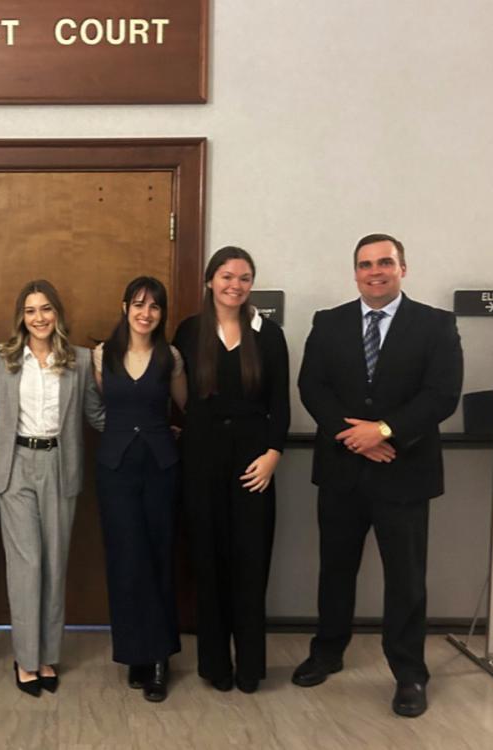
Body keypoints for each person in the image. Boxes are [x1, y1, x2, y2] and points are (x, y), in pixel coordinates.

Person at [293, 233, 463, 718]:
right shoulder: (329, 323)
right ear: (355, 273)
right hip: (343, 471)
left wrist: (385, 431)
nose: (375, 271)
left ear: (403, 268)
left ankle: (409, 672)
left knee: (406, 578)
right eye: (366, 264)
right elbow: (312, 386)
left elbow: (442, 394)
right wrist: (354, 437)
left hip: (405, 473)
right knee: (335, 570)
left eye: (385, 262)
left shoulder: (435, 325)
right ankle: (327, 651)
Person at [173, 246, 290, 695]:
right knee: (207, 562)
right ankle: (215, 665)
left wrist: (273, 454)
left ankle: (250, 667)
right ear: (209, 281)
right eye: (226, 276)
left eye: (243, 278)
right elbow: (176, 390)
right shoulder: (189, 331)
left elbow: (280, 403)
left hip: (253, 462)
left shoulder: (269, 335)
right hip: (200, 461)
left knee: (250, 562)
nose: (234, 285)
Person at [0, 279, 105, 696]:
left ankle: (48, 655)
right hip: (14, 466)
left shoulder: (81, 360)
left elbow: (94, 413)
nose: (39, 318)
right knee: (26, 565)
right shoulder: (3, 358)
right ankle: (25, 658)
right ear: (22, 316)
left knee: (54, 563)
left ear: (58, 314)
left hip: (59, 463)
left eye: (46, 309)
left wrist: (144, 428)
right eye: (31, 310)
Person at [93, 276, 187, 702]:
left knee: (158, 556)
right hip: (115, 469)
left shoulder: (172, 357)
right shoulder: (101, 356)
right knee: (124, 559)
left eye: (154, 307)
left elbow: (188, 408)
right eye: (138, 304)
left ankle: (160, 657)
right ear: (124, 306)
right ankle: (134, 652)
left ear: (162, 314)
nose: (145, 313)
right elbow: (100, 408)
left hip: (160, 467)